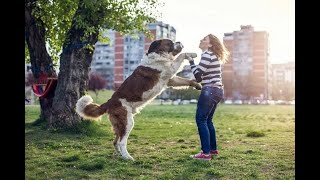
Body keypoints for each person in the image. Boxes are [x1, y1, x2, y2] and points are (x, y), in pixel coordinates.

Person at [188, 34, 229, 160]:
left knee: (201, 120)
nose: (201, 40)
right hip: (217, 90)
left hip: (209, 90)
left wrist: (190, 62)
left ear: (210, 44)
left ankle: (205, 153)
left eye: (204, 39)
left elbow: (198, 77)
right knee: (208, 120)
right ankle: (212, 150)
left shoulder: (207, 54)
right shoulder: (214, 56)